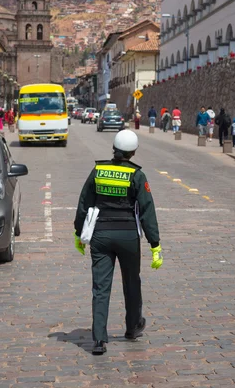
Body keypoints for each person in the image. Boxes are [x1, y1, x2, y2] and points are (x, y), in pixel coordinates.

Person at [73, 130, 163, 355]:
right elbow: (146, 211)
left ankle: (99, 340)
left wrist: (78, 232)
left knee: (100, 287)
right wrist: (155, 244)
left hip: (101, 236)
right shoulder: (136, 175)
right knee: (132, 283)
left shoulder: (99, 170)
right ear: (133, 152)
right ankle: (132, 328)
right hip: (128, 237)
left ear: (114, 148)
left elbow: (84, 202)